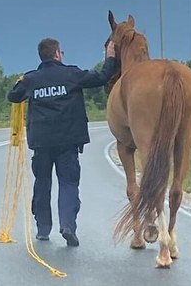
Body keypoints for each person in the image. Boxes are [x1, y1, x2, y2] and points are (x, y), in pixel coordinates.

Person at [7, 38, 117, 247]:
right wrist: (110, 56)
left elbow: (13, 96)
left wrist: (20, 81)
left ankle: (42, 228)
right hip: (68, 142)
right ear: (57, 54)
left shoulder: (31, 79)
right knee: (68, 184)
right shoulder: (72, 75)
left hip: (41, 143)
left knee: (42, 183)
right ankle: (67, 225)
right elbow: (103, 76)